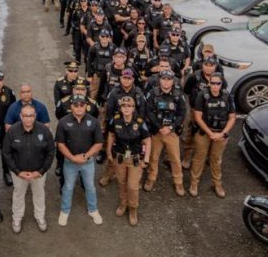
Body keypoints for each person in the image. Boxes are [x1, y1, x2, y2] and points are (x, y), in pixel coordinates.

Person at [3, 106, 55, 234]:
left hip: (38, 173)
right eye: (25, 116)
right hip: (19, 174)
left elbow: (50, 152)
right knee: (18, 195)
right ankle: (17, 218)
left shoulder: (44, 131)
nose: (28, 118)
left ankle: (40, 217)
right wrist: (17, 171)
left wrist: (41, 171)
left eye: (31, 115)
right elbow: (6, 153)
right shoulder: (12, 131)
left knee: (39, 194)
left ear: (35, 116)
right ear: (21, 116)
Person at [56, 94, 105, 227]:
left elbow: (99, 143)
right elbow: (60, 144)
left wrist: (86, 156)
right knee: (68, 187)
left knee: (90, 187)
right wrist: (72, 158)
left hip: (87, 162)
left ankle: (93, 210)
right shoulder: (63, 122)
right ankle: (65, 211)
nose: (79, 107)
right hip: (70, 162)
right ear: (71, 106)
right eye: (75, 105)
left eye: (81, 104)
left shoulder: (94, 122)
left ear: (86, 106)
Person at [106, 96, 152, 226]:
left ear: (133, 108)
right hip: (120, 158)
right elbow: (111, 135)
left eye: (129, 106)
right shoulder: (115, 120)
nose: (126, 108)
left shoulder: (139, 122)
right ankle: (123, 204)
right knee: (121, 182)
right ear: (120, 108)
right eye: (124, 106)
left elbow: (148, 141)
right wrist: (109, 152)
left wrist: (146, 159)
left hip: (135, 159)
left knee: (132, 186)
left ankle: (133, 209)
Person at [190, 74, 237, 198]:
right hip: (205, 132)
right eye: (213, 83)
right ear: (209, 83)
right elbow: (198, 117)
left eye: (218, 83)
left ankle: (217, 184)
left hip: (221, 134)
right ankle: (194, 183)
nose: (216, 86)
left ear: (222, 84)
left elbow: (232, 117)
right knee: (199, 158)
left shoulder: (227, 96)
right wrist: (210, 133)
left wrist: (223, 133)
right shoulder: (202, 95)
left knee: (216, 159)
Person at [144, 70, 188, 196]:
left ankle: (178, 182)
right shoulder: (153, 93)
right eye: (164, 78)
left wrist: (171, 127)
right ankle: (151, 178)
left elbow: (182, 113)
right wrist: (159, 127)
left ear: (173, 81)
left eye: (169, 79)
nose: (166, 81)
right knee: (153, 157)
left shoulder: (179, 95)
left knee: (175, 158)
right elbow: (149, 112)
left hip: (171, 132)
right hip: (157, 132)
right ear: (160, 80)